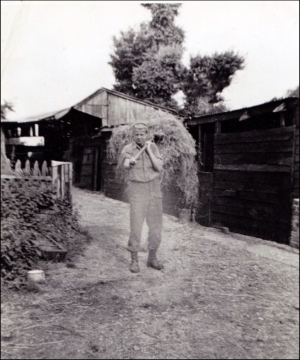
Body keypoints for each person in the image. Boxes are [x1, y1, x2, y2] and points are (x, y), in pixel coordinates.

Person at [120, 122, 164, 273]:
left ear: (147, 135)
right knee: (136, 225)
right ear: (133, 136)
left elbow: (158, 167)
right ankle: (134, 261)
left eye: (142, 134)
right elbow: (125, 164)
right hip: (137, 189)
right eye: (137, 135)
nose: (139, 137)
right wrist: (130, 162)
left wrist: (149, 149)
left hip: (154, 188)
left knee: (156, 226)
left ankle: (152, 259)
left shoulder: (153, 147)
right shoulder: (128, 149)